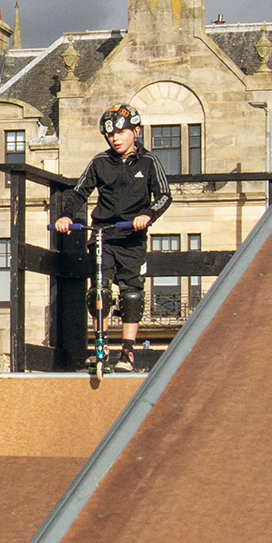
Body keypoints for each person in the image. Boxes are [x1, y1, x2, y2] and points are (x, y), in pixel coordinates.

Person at [55, 103, 173, 373]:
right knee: (99, 291)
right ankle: (100, 347)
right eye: (110, 135)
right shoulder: (99, 162)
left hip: (132, 237)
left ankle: (128, 353)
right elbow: (78, 192)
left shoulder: (149, 162)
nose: (115, 139)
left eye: (121, 133)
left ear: (136, 131)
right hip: (103, 236)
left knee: (131, 294)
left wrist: (147, 215)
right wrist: (66, 216)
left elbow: (164, 196)